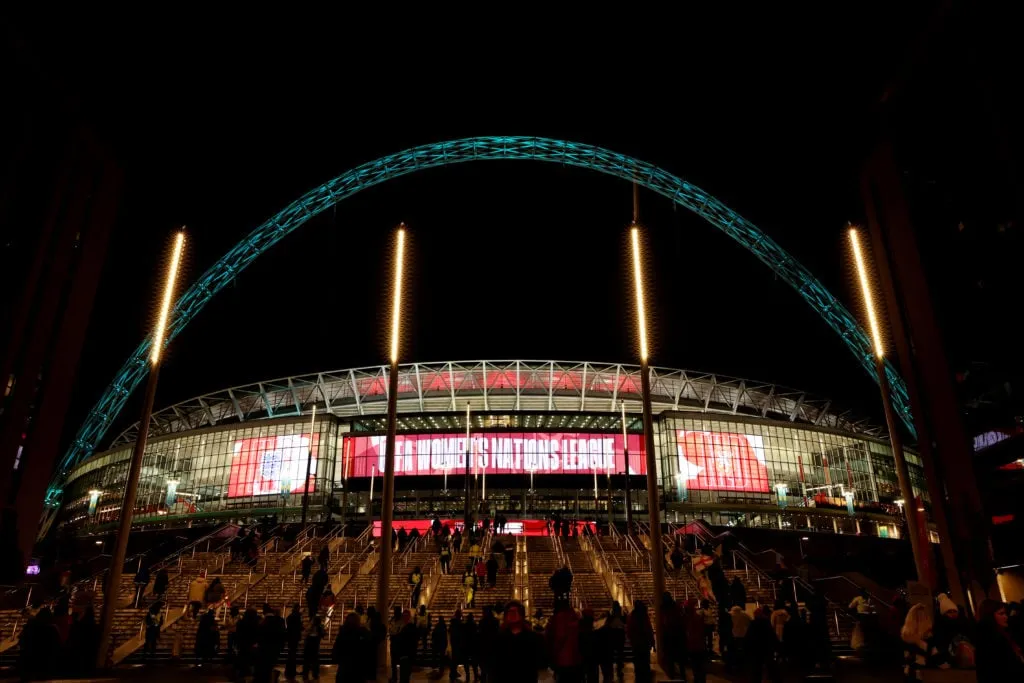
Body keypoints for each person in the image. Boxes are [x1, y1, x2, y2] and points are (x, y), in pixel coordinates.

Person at [493, 601, 544, 683]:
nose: (512, 614)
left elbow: (540, 661)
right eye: (510, 612)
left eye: (515, 611)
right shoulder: (499, 638)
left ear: (522, 615)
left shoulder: (533, 638)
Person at [974, 600, 1023, 681]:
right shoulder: (992, 639)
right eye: (1001, 614)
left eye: (1006, 613)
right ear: (989, 616)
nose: (1006, 617)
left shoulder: (1001, 633)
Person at [746, 607, 781, 683]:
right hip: (766, 647)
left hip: (756, 649)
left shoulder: (753, 623)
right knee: (771, 666)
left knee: (756, 668)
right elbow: (771, 635)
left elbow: (748, 637)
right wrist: (777, 646)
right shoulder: (766, 623)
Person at [333, 612, 369, 682]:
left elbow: (336, 649)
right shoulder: (361, 633)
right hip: (358, 668)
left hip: (344, 668)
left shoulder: (343, 633)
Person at [658, 592, 686, 680]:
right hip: (678, 634)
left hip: (669, 634)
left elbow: (663, 622)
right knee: (680, 657)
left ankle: (672, 674)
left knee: (670, 656)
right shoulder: (676, 607)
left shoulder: (663, 609)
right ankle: (682, 674)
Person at [627, 600, 654, 683]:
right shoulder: (644, 616)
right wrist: (652, 641)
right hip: (644, 643)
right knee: (645, 662)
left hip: (636, 643)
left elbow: (629, 630)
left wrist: (631, 639)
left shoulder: (632, 616)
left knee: (638, 662)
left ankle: (639, 677)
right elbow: (649, 629)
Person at [684, 598, 707, 683]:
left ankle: (698, 679)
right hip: (699, 646)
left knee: (697, 667)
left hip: (694, 646)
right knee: (700, 667)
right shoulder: (697, 618)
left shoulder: (689, 619)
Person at [303, 616, 325, 680]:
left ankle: (305, 674)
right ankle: (315, 674)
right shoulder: (320, 628)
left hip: (308, 646)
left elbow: (305, 634)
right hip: (315, 646)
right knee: (315, 661)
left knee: (307, 661)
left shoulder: (310, 627)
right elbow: (323, 635)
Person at [286, 604, 303, 679]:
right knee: (293, 654)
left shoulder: (289, 616)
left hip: (290, 637)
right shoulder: (297, 616)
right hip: (295, 637)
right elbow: (299, 626)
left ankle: (289, 670)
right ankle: (292, 671)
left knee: (290, 654)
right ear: (297, 608)